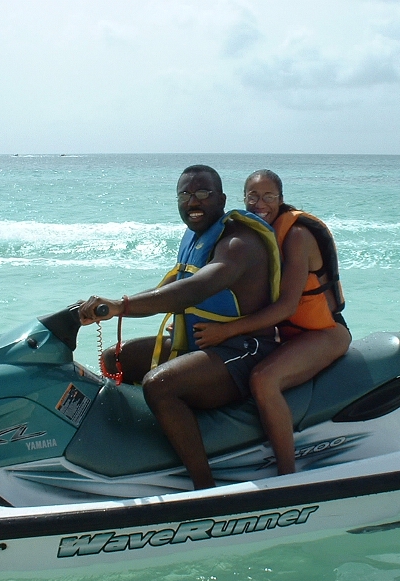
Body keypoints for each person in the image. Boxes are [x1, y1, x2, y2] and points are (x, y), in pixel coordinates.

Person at [78, 165, 281, 489]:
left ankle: (203, 487)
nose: (193, 201)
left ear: (222, 199)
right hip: (200, 344)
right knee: (114, 360)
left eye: (202, 193)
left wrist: (122, 307)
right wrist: (113, 306)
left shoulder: (237, 244)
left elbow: (191, 291)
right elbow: (169, 285)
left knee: (160, 385)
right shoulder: (197, 237)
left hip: (242, 351)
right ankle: (143, 448)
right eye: (185, 194)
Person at [192, 169, 350, 476]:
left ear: (281, 199)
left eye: (268, 196)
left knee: (263, 380)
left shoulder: (297, 236)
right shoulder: (254, 232)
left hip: (325, 333)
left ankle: (286, 475)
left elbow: (287, 306)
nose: (259, 203)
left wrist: (225, 330)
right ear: (243, 198)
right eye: (253, 195)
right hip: (287, 333)